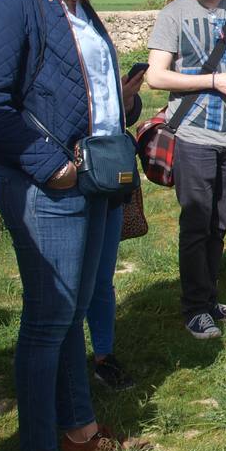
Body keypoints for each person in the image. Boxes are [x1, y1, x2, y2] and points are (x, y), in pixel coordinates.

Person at [0, 0, 149, 451]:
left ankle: (80, 430)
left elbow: (82, 88)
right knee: (48, 323)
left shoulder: (77, 6)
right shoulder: (13, 5)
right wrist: (53, 167)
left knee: (73, 315)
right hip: (49, 187)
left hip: (95, 182)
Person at [146, 0, 226, 339]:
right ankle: (194, 308)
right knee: (195, 225)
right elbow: (156, 75)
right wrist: (213, 82)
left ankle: (209, 299)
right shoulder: (173, 14)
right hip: (191, 135)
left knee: (217, 225)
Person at [85, 76, 145, 390]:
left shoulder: (98, 36)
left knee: (102, 280)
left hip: (108, 178)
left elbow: (122, 118)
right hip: (69, 179)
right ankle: (61, 362)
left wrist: (127, 98)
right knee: (66, 285)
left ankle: (104, 357)